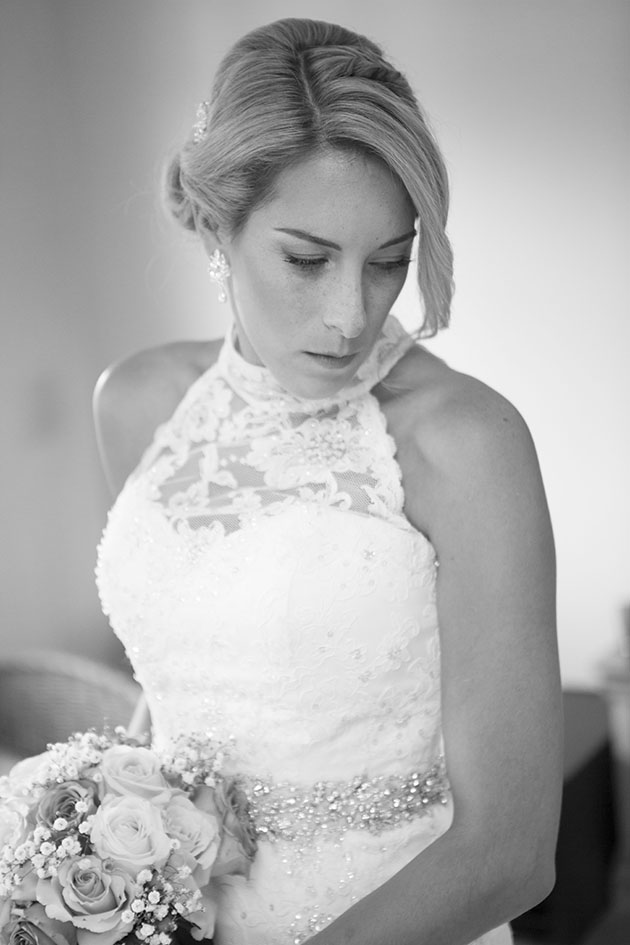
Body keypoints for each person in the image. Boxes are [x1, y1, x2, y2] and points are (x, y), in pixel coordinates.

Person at [94, 17, 562, 945]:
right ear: (218, 227)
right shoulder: (138, 402)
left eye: (389, 262)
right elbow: (175, 680)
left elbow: (511, 851)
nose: (351, 315)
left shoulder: (469, 441)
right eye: (307, 260)